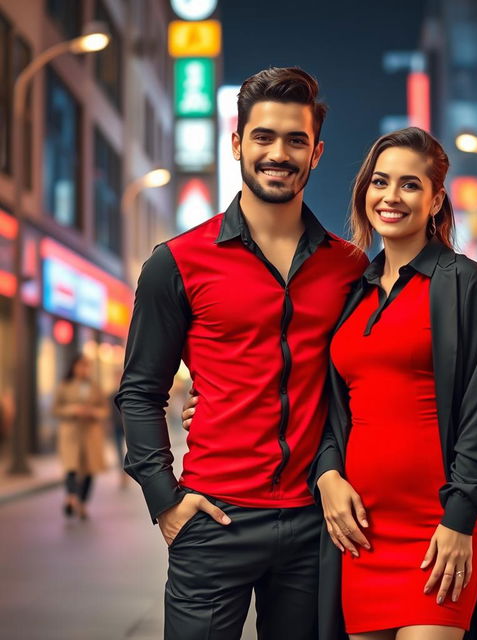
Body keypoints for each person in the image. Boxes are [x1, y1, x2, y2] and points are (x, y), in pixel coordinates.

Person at [116, 67, 368, 640]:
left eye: (295, 140)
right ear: (237, 144)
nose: (279, 153)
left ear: (317, 153)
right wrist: (165, 500)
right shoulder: (176, 262)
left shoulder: (348, 267)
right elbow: (140, 390)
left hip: (313, 524)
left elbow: (356, 382)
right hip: (213, 519)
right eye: (264, 137)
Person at [306, 128, 477, 640]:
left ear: (435, 199)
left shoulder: (465, 282)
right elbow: (332, 407)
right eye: (380, 181)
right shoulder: (351, 291)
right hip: (360, 531)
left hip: (438, 528)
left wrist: (459, 519)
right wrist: (329, 474)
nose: (391, 196)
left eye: (409, 185)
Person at [53, 354, 108, 519]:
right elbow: (56, 409)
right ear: (73, 367)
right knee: (71, 466)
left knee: (90, 469)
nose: (84, 369)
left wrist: (94, 413)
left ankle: (82, 503)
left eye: (86, 366)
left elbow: (105, 409)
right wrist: (73, 410)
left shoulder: (95, 386)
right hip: (71, 433)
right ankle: (70, 498)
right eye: (80, 366)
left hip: (91, 434)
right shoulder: (65, 386)